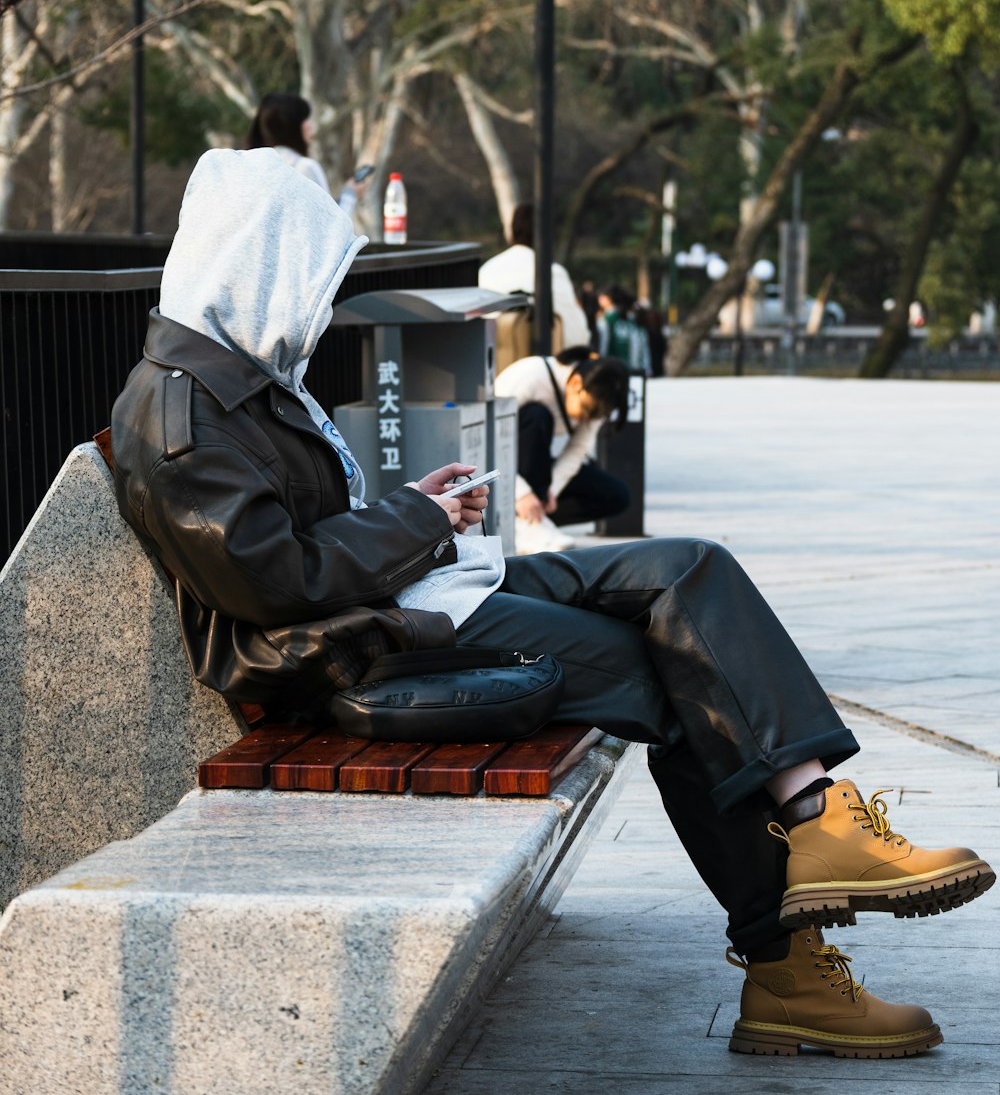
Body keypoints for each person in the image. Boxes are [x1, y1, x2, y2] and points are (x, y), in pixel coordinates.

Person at [111, 150, 994, 1063]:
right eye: (311, 277)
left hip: (399, 597)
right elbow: (275, 583)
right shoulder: (181, 417)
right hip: (355, 651)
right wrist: (414, 518)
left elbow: (295, 545)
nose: (322, 304)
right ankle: (788, 966)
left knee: (693, 571)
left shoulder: (234, 381)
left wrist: (414, 511)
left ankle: (818, 819)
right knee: (672, 668)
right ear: (256, 262)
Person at [494, 347, 630, 553]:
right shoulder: (530, 377)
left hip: (536, 469)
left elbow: (576, 452)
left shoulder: (596, 398)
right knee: (539, 415)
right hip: (499, 468)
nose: (587, 419)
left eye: (596, 416)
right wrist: (520, 493)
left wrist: (552, 491)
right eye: (586, 410)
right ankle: (524, 522)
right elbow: (491, 440)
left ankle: (533, 520)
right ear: (576, 383)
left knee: (617, 496)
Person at [479, 203, 591, 349]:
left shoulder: (487, 270)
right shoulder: (554, 273)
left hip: (494, 361)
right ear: (548, 235)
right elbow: (578, 336)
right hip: (544, 362)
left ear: (511, 232)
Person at [247, 90, 369, 218]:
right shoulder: (304, 168)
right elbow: (330, 228)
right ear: (292, 126)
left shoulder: (251, 166)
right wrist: (350, 195)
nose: (309, 125)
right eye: (305, 119)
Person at [596, 283, 652, 373]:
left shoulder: (607, 319)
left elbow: (602, 347)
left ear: (608, 298)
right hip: (630, 368)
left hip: (611, 368)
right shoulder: (631, 319)